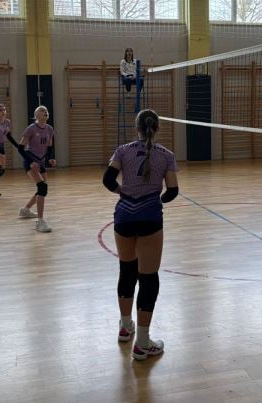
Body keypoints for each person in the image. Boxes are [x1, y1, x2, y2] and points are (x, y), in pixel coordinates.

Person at [103, 109, 178, 361]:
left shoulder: (122, 150)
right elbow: (173, 190)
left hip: (124, 215)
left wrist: (123, 192)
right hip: (149, 217)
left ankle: (126, 327)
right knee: (148, 278)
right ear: (157, 128)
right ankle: (143, 343)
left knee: (127, 271)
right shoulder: (166, 155)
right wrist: (156, 200)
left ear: (136, 128)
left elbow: (107, 180)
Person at [16, 105, 57, 232]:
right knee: (42, 187)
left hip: (41, 162)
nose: (45, 112)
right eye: (42, 110)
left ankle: (25, 210)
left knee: (42, 189)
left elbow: (49, 147)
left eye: (46, 110)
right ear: (36, 115)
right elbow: (20, 148)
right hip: (30, 161)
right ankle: (40, 222)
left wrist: (50, 158)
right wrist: (31, 161)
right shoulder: (31, 129)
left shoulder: (50, 129)